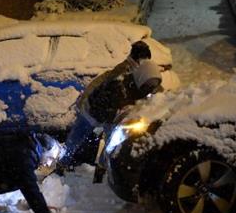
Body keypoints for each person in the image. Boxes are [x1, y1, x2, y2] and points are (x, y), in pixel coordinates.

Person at [58, 40, 163, 169]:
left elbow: (152, 87)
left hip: (112, 114)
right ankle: (62, 163)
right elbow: (112, 94)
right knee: (76, 140)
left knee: (111, 144)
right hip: (95, 109)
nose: (146, 64)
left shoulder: (141, 73)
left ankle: (103, 169)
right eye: (144, 60)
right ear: (137, 58)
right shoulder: (121, 74)